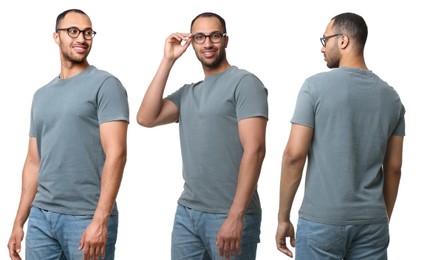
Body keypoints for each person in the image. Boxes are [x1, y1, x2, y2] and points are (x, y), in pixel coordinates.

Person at [137, 12, 268, 260]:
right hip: (188, 212)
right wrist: (168, 60)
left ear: (226, 40)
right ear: (192, 42)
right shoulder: (188, 93)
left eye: (214, 36)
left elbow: (256, 150)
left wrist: (235, 216)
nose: (207, 44)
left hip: (229, 213)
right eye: (200, 37)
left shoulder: (244, 83)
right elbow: (146, 118)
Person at [275, 12, 405, 259]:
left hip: (322, 221)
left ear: (343, 41)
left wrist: (283, 217)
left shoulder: (314, 87)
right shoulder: (392, 98)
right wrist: (379, 219)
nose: (323, 49)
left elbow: (294, 155)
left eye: (325, 40)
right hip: (373, 222)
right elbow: (394, 168)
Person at [7, 9, 129, 260]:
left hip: (85, 217)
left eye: (87, 32)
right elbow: (33, 162)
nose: (81, 39)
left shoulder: (106, 85)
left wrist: (100, 220)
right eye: (73, 31)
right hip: (41, 217)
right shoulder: (41, 95)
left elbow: (116, 154)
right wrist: (19, 222)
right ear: (56, 36)